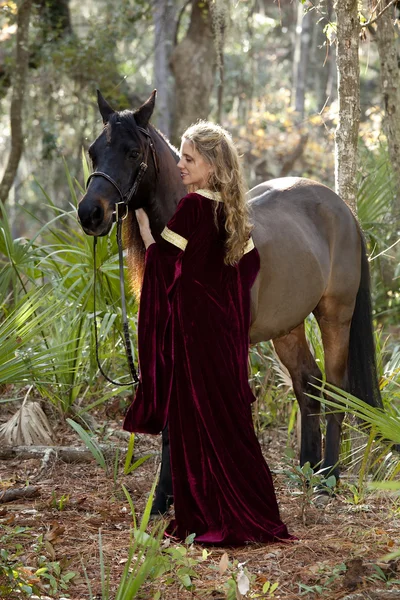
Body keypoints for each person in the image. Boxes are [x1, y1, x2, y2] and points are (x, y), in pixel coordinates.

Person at [123, 121, 294, 545]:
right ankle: (253, 508)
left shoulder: (194, 208)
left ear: (212, 167)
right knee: (228, 421)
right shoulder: (233, 214)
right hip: (225, 334)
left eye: (189, 159)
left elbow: (161, 260)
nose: (180, 166)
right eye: (180, 157)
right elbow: (247, 268)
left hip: (195, 337)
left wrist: (142, 216)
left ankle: (206, 513)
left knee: (195, 422)